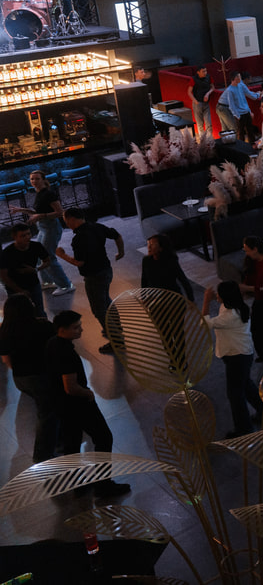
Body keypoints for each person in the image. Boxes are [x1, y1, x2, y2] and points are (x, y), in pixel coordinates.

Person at [46, 310, 131, 497]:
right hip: (78, 405)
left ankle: (77, 484)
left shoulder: (52, 343)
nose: (81, 330)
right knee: (104, 438)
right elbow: (70, 387)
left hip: (61, 405)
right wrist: (88, 393)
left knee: (72, 443)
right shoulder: (66, 353)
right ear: (62, 329)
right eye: (76, 327)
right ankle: (104, 485)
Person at [203, 281, 263, 438]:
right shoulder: (237, 307)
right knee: (245, 385)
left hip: (237, 357)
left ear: (226, 297)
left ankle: (244, 429)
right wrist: (216, 298)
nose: (217, 296)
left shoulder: (230, 316)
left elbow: (205, 324)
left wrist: (206, 301)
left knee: (235, 395)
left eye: (219, 294)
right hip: (242, 353)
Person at [55, 208, 124, 354]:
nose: (66, 224)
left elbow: (79, 262)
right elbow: (117, 235)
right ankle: (116, 328)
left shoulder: (79, 238)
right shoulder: (96, 226)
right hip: (106, 270)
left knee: (99, 309)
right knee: (105, 300)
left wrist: (62, 255)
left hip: (93, 276)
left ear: (72, 219)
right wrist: (121, 252)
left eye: (66, 220)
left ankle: (116, 340)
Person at [0, 294, 58, 461]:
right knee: (47, 415)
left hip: (21, 379)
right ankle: (42, 455)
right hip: (42, 376)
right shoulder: (44, 326)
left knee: (41, 406)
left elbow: (7, 360)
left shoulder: (4, 332)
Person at [11, 170, 74, 296]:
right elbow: (38, 211)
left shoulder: (49, 194)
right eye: (32, 179)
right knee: (40, 255)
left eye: (37, 178)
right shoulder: (39, 193)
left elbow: (60, 212)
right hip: (43, 228)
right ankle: (48, 281)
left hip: (51, 228)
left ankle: (65, 285)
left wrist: (41, 216)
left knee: (48, 257)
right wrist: (21, 210)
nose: (34, 181)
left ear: (43, 180)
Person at [1, 223, 56, 317]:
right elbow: (3, 275)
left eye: (29, 234)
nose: (27, 237)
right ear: (14, 237)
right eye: (23, 235)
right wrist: (19, 290)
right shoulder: (7, 253)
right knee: (20, 314)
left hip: (33, 284)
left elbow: (47, 261)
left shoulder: (36, 246)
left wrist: (36, 269)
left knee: (39, 311)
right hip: (14, 288)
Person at [140, 233, 194, 302]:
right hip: (154, 297)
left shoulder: (171, 261)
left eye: (152, 244)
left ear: (161, 248)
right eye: (148, 244)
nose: (149, 247)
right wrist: (143, 297)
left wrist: (191, 300)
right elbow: (144, 280)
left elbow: (183, 281)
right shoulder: (146, 260)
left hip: (171, 298)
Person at [216, 72, 260, 141]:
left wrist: (248, 110)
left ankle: (229, 142)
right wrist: (237, 115)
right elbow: (232, 104)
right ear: (236, 78)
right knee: (233, 128)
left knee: (230, 128)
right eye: (239, 77)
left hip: (227, 107)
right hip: (224, 107)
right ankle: (235, 143)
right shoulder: (231, 89)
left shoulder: (240, 86)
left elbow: (243, 99)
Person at [188, 64, 214, 137]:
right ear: (198, 72)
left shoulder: (208, 77)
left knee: (208, 122)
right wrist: (195, 101)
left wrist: (208, 94)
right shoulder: (193, 79)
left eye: (205, 71)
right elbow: (189, 92)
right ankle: (203, 139)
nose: (205, 73)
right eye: (203, 71)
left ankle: (209, 138)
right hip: (197, 103)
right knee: (200, 123)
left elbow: (212, 87)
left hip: (206, 102)